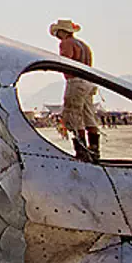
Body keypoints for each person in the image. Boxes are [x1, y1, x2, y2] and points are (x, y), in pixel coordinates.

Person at [50, 18, 100, 162]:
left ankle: (82, 152)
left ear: (63, 32)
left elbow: (65, 61)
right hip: (89, 81)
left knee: (74, 116)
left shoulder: (66, 43)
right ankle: (95, 151)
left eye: (58, 32)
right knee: (89, 115)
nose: (57, 35)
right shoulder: (83, 45)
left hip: (75, 81)